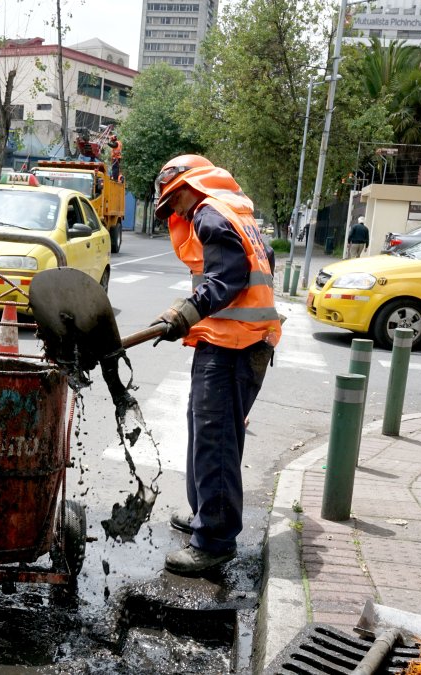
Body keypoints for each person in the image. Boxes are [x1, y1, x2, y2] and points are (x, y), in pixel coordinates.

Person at [149, 154, 282, 576]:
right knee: (204, 430)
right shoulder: (238, 215)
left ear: (191, 187)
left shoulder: (210, 214)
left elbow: (228, 278)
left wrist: (188, 312)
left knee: (216, 440)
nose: (175, 211)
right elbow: (263, 262)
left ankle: (215, 540)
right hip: (233, 342)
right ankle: (206, 514)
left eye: (174, 201)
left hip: (232, 347)